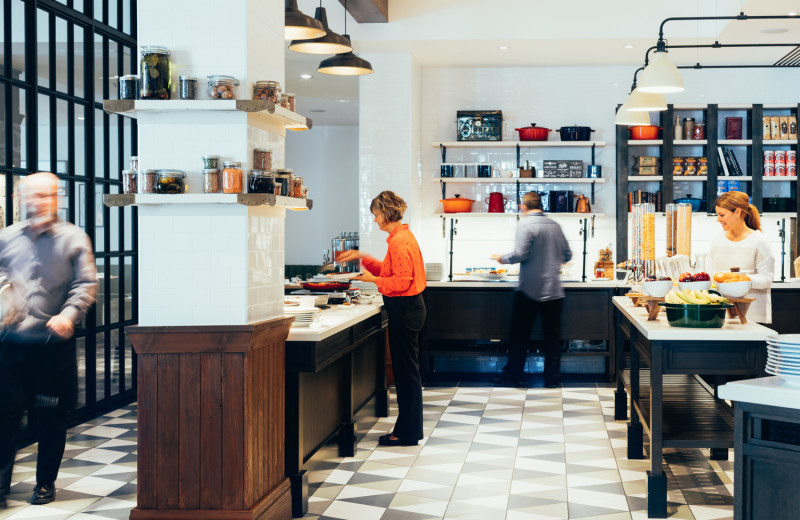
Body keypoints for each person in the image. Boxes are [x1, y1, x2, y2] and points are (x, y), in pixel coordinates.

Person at [0, 172, 97, 508]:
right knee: (4, 417)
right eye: (35, 196)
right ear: (22, 199)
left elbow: (84, 285)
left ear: (57, 197)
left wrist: (68, 315)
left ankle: (44, 484)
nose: (41, 201)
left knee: (52, 417)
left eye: (47, 195)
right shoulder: (7, 237)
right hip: (10, 346)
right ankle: (0, 487)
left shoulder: (73, 238)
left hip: (53, 347)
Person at [337, 191, 426, 447]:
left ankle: (407, 433)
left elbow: (400, 281)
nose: (375, 220)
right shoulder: (400, 237)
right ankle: (408, 430)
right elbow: (390, 271)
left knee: (407, 374)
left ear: (386, 212)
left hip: (405, 310)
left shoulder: (399, 242)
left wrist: (372, 280)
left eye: (376, 214)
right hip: (408, 309)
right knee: (407, 373)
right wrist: (362, 257)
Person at [493, 192, 572, 388]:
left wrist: (503, 258)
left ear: (523, 206)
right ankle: (552, 379)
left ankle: (513, 376)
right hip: (554, 290)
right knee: (553, 337)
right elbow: (568, 255)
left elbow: (520, 254)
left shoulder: (525, 224)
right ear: (541, 205)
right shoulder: (555, 226)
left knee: (520, 336)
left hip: (529, 289)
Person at [707, 190, 774, 324]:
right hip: (721, 317)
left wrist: (738, 279)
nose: (718, 219)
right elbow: (710, 277)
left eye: (722, 215)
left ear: (737, 212)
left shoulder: (759, 241)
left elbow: (767, 279)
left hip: (752, 318)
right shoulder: (717, 240)